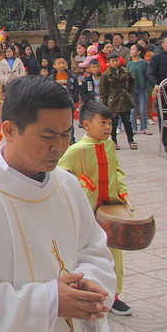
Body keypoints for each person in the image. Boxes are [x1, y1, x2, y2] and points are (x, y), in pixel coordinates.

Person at [0, 75, 116, 332]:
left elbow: (95, 250)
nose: (59, 147)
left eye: (66, 135)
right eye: (48, 136)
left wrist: (90, 285)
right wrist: (49, 301)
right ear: (9, 131)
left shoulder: (67, 186)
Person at [58, 101, 133, 316]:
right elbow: (61, 171)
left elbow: (116, 171)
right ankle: (88, 294)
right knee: (87, 254)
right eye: (103, 123)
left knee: (113, 255)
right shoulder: (76, 150)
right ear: (86, 125)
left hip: (108, 210)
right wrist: (81, 183)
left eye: (109, 123)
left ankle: (113, 295)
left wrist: (122, 191)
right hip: (88, 213)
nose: (108, 127)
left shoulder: (109, 147)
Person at [100, 52, 136, 150]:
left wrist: (128, 91)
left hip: (124, 98)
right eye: (113, 61)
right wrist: (104, 103)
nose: (115, 63)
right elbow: (103, 90)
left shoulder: (125, 71)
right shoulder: (106, 74)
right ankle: (114, 141)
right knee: (114, 122)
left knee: (127, 121)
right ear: (108, 62)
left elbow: (132, 81)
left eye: (117, 60)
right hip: (113, 100)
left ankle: (131, 140)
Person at [51, 57, 80, 143]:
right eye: (59, 63)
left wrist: (74, 98)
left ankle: (71, 139)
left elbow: (76, 89)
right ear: (54, 66)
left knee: (69, 121)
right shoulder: (51, 78)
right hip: (56, 103)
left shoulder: (72, 77)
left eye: (63, 63)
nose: (62, 65)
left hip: (68, 102)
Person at [127, 44, 151, 136]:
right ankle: (133, 127)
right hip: (132, 88)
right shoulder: (129, 64)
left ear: (139, 52)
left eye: (133, 49)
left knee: (142, 109)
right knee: (132, 110)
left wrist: (147, 88)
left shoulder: (144, 63)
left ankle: (144, 127)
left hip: (142, 87)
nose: (131, 51)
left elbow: (147, 76)